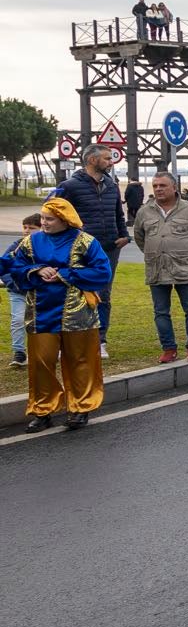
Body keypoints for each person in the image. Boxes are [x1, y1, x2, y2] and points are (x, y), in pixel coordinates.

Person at [1, 198, 112, 431]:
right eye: (42, 218)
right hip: (40, 313)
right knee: (41, 364)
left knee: (80, 361)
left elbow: (102, 272)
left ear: (64, 220)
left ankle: (80, 408)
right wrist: (36, 269)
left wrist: (65, 274)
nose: (44, 223)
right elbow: (14, 266)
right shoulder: (30, 242)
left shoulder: (86, 241)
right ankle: (43, 410)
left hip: (78, 313)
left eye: (49, 219)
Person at [54, 143, 129, 357]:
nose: (111, 161)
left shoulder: (111, 185)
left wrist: (124, 235)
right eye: (106, 158)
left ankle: (99, 341)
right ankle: (67, 342)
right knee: (73, 294)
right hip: (80, 249)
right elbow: (54, 212)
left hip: (109, 248)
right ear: (92, 160)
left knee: (103, 294)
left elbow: (118, 214)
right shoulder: (69, 186)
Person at [131, 171, 188, 362]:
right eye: (155, 186)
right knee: (160, 311)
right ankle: (168, 348)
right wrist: (155, 253)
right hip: (156, 269)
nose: (158, 189)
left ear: (174, 188)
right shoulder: (144, 211)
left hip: (184, 268)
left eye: (163, 185)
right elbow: (140, 238)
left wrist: (187, 255)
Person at [5, 214, 42, 367]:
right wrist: (12, 283)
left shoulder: (46, 248)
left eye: (31, 228)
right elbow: (4, 266)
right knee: (18, 320)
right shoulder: (17, 246)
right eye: (24, 227)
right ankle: (19, 352)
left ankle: (43, 351)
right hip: (18, 291)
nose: (26, 231)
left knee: (41, 322)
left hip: (40, 293)